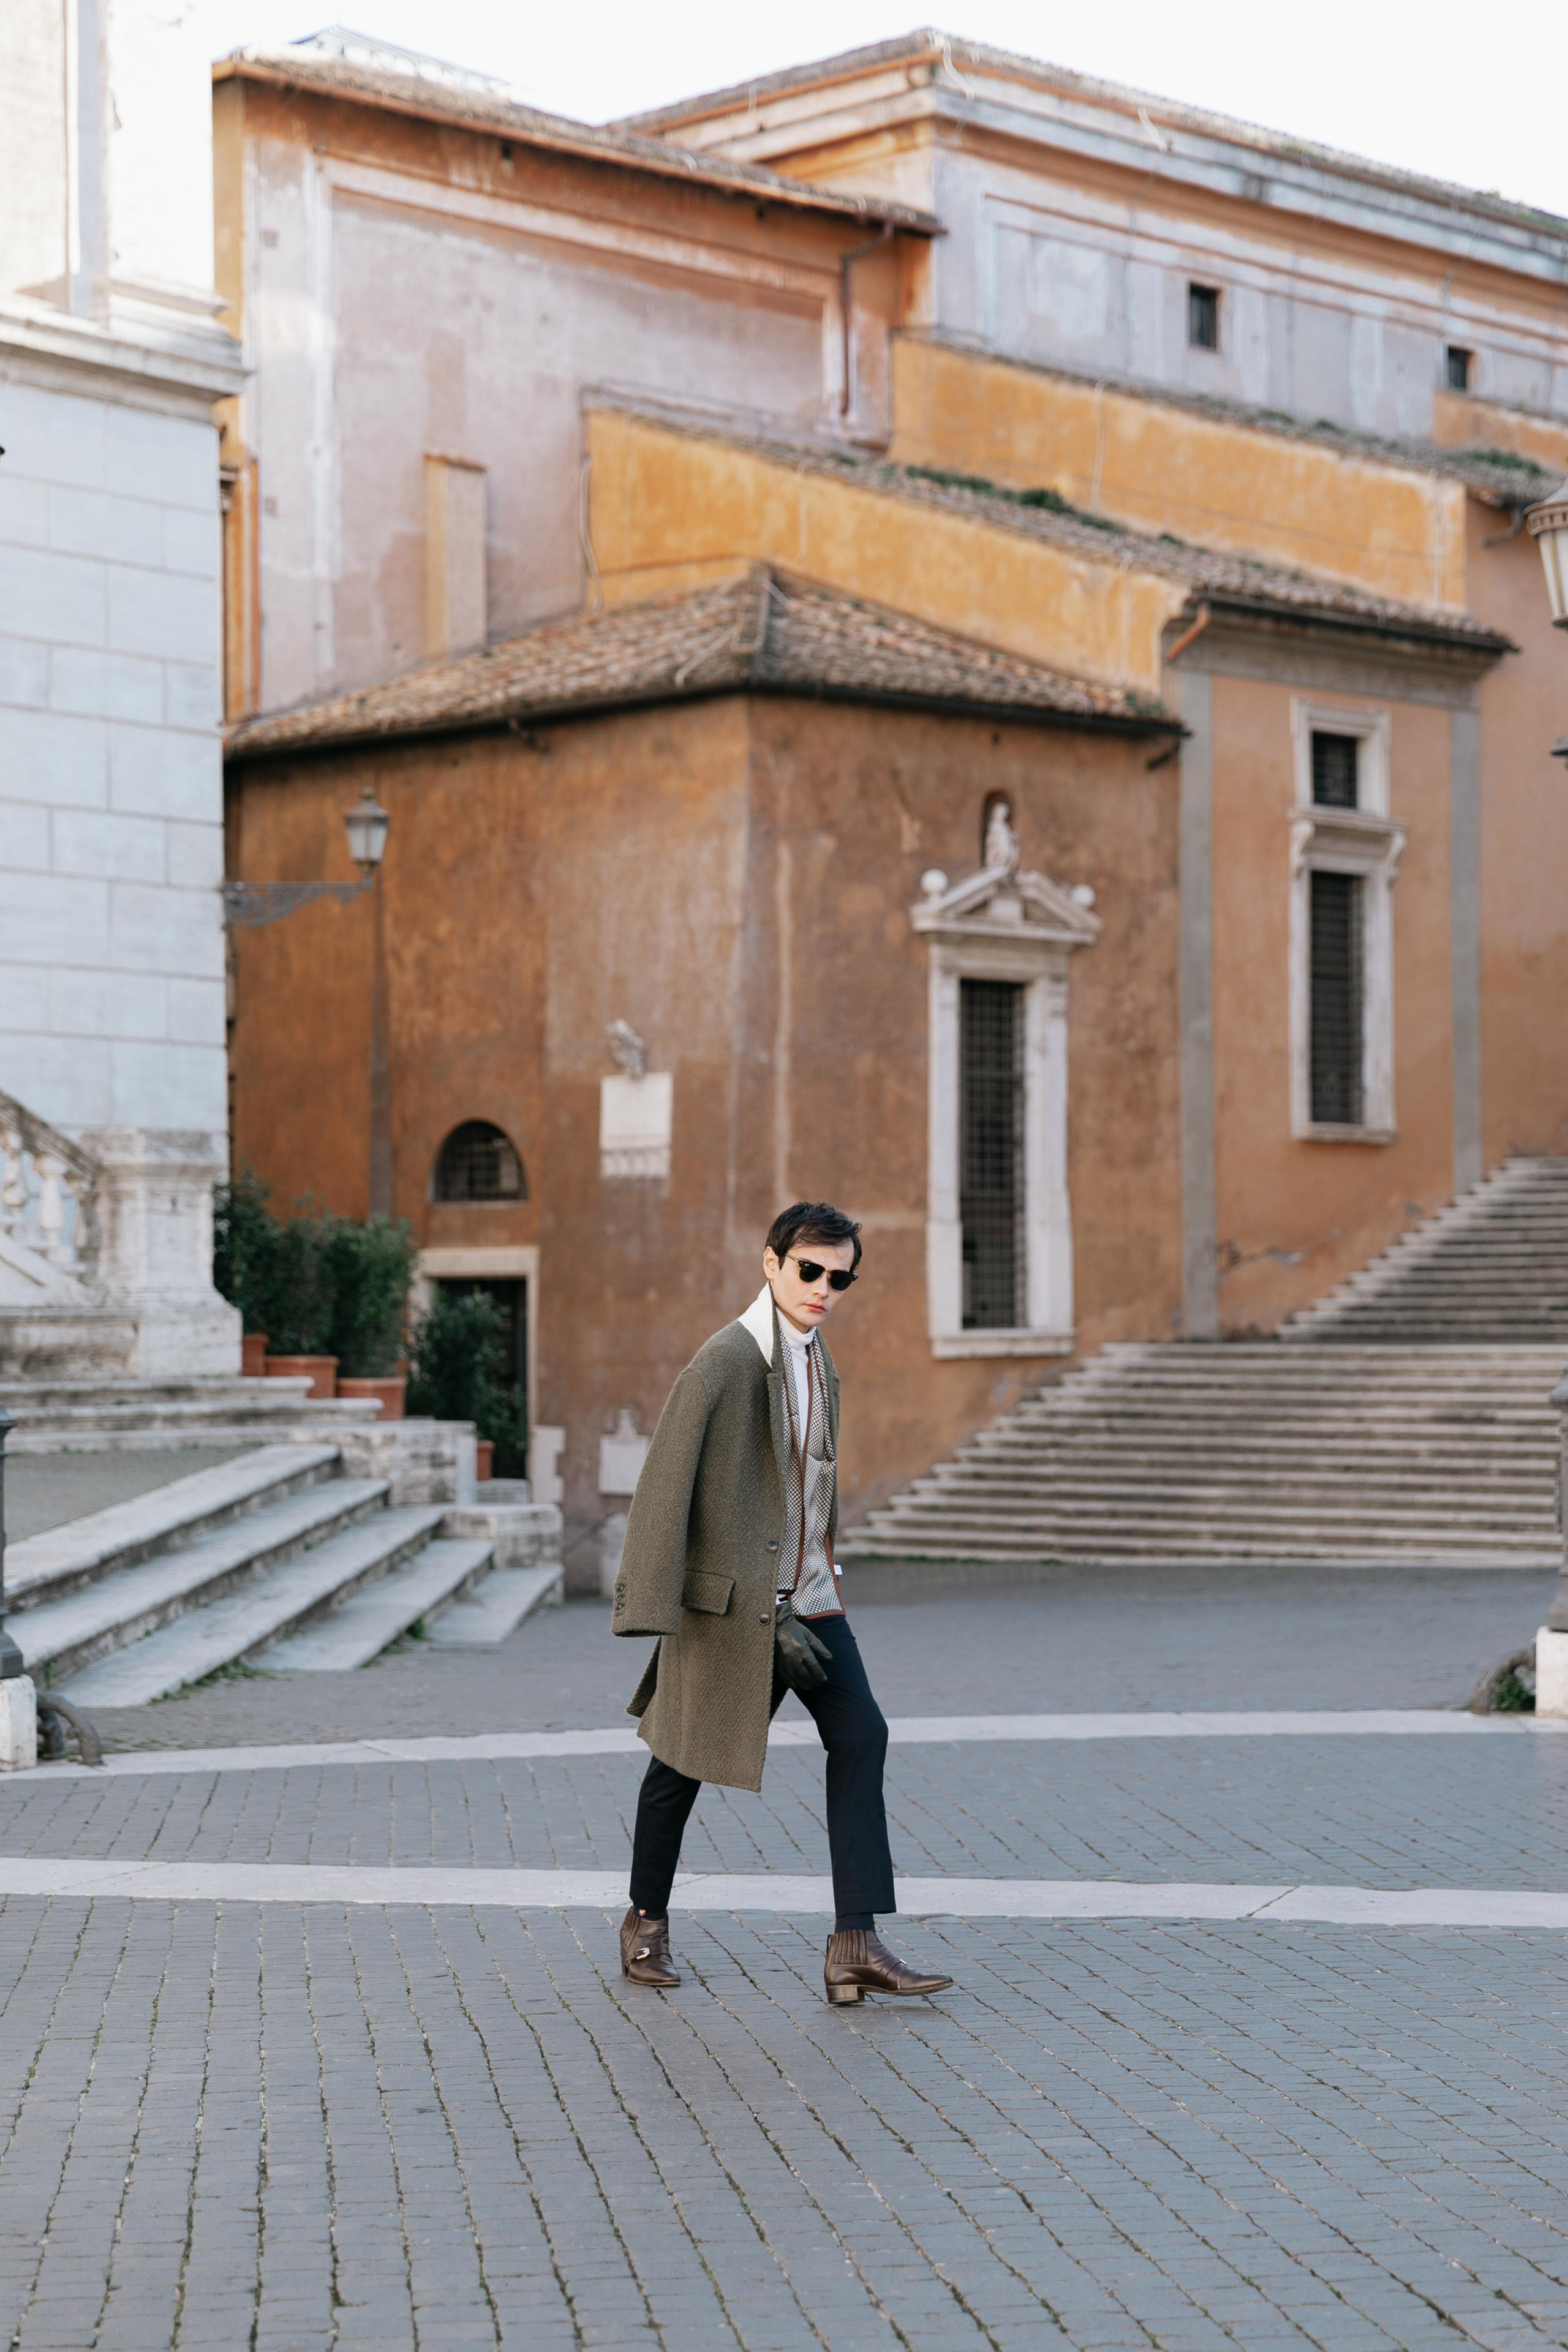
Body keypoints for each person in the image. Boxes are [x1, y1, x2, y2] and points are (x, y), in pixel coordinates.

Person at [611, 1202, 953, 2007]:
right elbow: (665, 1487)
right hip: (732, 1610)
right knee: (680, 1764)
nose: (825, 1289)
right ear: (771, 1263)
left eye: (841, 1277)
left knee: (863, 1735)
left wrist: (824, 1562)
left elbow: (814, 1476)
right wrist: (650, 1605)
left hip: (808, 1602)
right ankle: (644, 1920)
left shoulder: (819, 1360)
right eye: (811, 1271)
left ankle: (854, 1942)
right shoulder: (724, 1363)